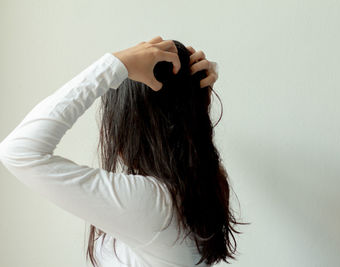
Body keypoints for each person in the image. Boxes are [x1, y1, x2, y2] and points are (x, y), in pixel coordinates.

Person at [0, 36, 247, 267]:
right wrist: (196, 87)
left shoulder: (155, 203)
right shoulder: (204, 182)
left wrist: (115, 65)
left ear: (130, 124)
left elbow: (18, 151)